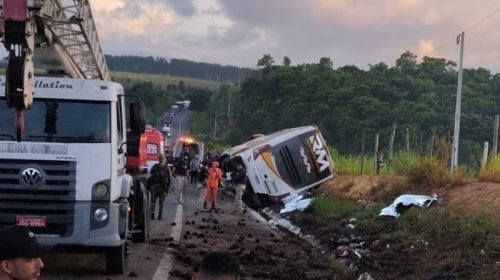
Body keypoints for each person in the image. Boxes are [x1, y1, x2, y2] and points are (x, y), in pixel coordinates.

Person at [149, 154, 172, 220]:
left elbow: (150, 176)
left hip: (155, 186)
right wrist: (167, 188)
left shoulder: (154, 167)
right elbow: (170, 179)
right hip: (163, 187)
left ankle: (152, 215)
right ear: (164, 159)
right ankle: (160, 216)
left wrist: (151, 185)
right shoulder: (166, 167)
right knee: (161, 202)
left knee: (153, 201)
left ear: (158, 159)